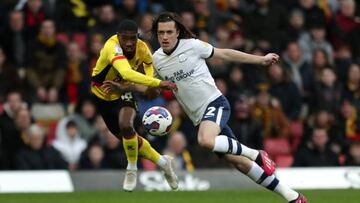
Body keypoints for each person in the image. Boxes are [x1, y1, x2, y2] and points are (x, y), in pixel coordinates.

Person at [109, 12, 307, 202]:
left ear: (177, 32)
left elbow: (225, 54)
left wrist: (260, 59)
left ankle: (256, 153)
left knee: (205, 141)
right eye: (161, 33)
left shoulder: (193, 46)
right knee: (239, 163)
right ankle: (292, 196)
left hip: (215, 104)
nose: (165, 37)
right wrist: (125, 86)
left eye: (169, 32)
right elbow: (151, 86)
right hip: (200, 118)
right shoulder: (158, 60)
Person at [90, 19, 178, 192]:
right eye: (125, 39)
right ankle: (163, 162)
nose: (129, 43)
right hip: (103, 96)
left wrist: (151, 85)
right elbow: (126, 72)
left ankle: (131, 169)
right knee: (130, 141)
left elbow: (148, 64)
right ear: (118, 37)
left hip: (124, 92)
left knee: (126, 125)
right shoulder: (111, 47)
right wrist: (157, 83)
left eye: (133, 38)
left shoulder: (143, 48)